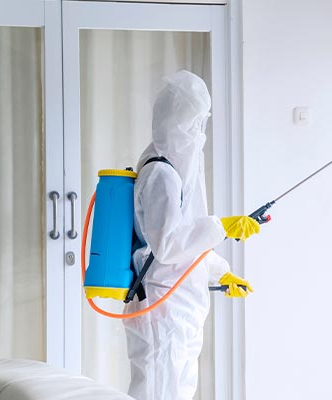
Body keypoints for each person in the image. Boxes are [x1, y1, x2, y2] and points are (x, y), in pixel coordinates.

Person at [123, 70, 259, 400]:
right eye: (194, 123)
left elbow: (185, 240)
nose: (200, 133)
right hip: (161, 308)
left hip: (179, 307)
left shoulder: (173, 170)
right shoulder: (160, 173)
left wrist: (220, 272)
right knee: (158, 393)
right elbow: (168, 246)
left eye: (202, 122)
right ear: (176, 121)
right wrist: (221, 227)